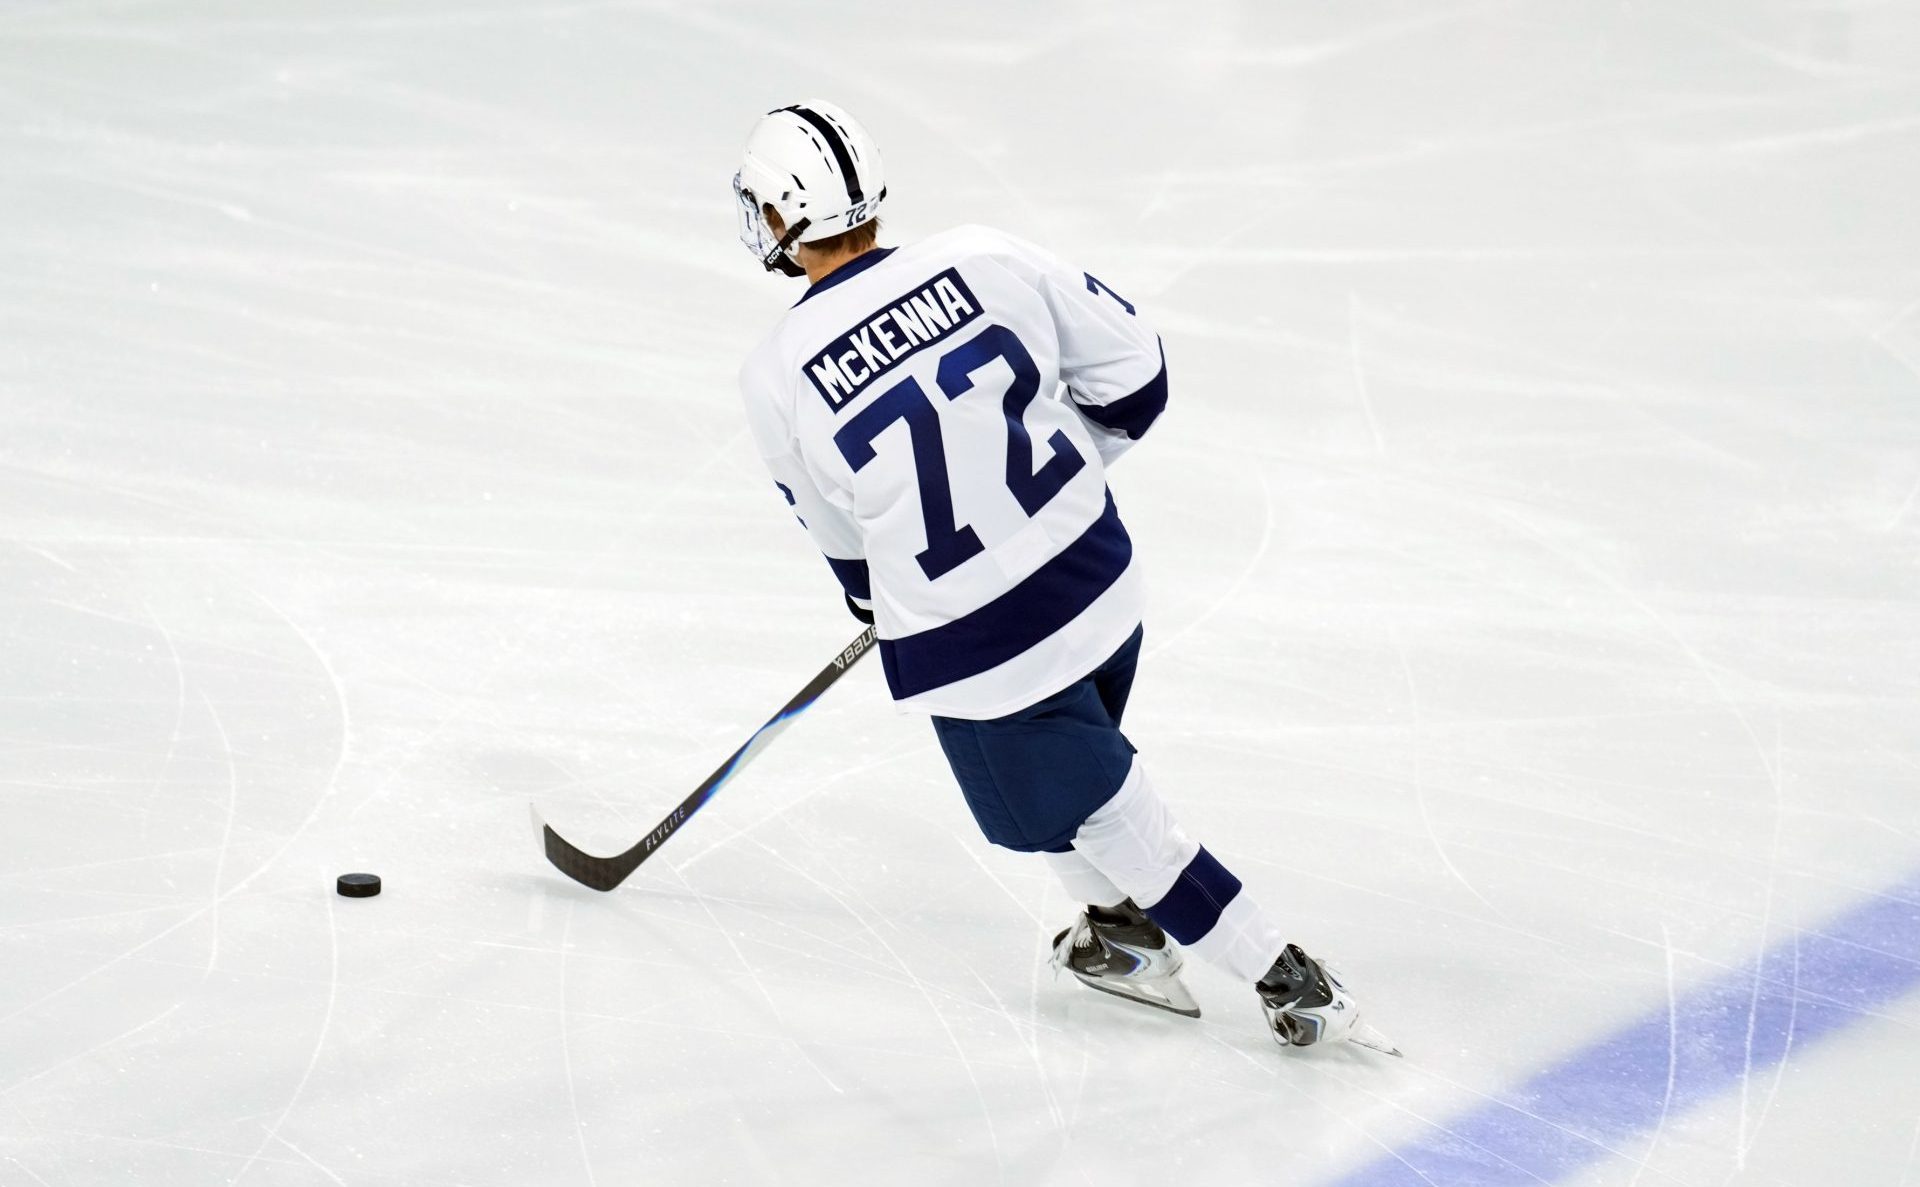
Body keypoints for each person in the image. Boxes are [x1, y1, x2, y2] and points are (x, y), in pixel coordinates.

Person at [730, 100, 1391, 1054]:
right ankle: (1120, 938)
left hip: (985, 653)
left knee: (1103, 814)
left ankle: (1286, 976)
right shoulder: (982, 254)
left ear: (787, 218)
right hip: (1101, 586)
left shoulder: (777, 372)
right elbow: (1137, 378)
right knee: (1052, 794)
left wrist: (898, 590)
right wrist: (1044, 487)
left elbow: (847, 552)